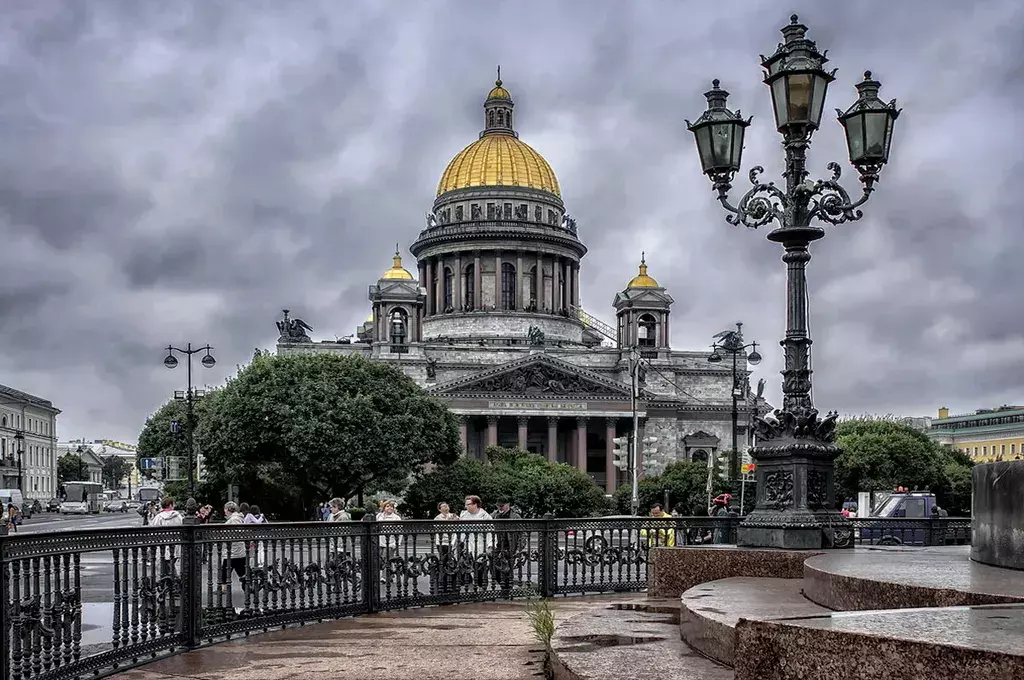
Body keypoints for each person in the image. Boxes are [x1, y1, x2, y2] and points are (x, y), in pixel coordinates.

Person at [491, 497, 524, 596]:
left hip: (510, 547)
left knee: (508, 570)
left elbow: (522, 534)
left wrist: (519, 548)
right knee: (495, 569)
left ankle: (506, 591)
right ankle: (503, 587)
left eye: (502, 506)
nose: (500, 508)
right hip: (497, 546)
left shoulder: (515, 517)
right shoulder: (494, 515)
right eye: (498, 506)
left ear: (508, 505)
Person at [459, 495, 492, 587]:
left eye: (468, 504)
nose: (466, 507)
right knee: (466, 567)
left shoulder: (484, 516)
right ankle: (470, 586)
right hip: (468, 544)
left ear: (475, 504)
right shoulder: (464, 515)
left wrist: (490, 546)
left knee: (480, 568)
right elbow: (460, 530)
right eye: (465, 505)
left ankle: (482, 587)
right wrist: (461, 543)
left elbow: (490, 532)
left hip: (481, 545)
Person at [220, 501, 247, 596]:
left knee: (225, 570)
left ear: (228, 510)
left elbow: (237, 532)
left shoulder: (234, 519)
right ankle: (248, 585)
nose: (224, 511)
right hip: (238, 550)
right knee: (241, 571)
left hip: (233, 550)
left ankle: (224, 588)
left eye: (225, 509)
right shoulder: (237, 518)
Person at [432, 502, 459, 594]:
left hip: (452, 541)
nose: (446, 507)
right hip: (441, 542)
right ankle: (443, 576)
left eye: (446, 505)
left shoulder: (454, 516)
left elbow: (458, 526)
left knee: (451, 558)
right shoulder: (438, 518)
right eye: (443, 506)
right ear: (439, 509)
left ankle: (451, 577)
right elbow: (439, 528)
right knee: (443, 558)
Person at [376, 500, 403, 585]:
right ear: (384, 508)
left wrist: (396, 543)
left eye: (391, 506)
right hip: (380, 541)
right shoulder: (379, 516)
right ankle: (390, 575)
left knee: (386, 559)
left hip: (391, 542)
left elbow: (400, 532)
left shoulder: (396, 518)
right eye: (387, 506)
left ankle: (384, 577)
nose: (390, 508)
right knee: (380, 560)